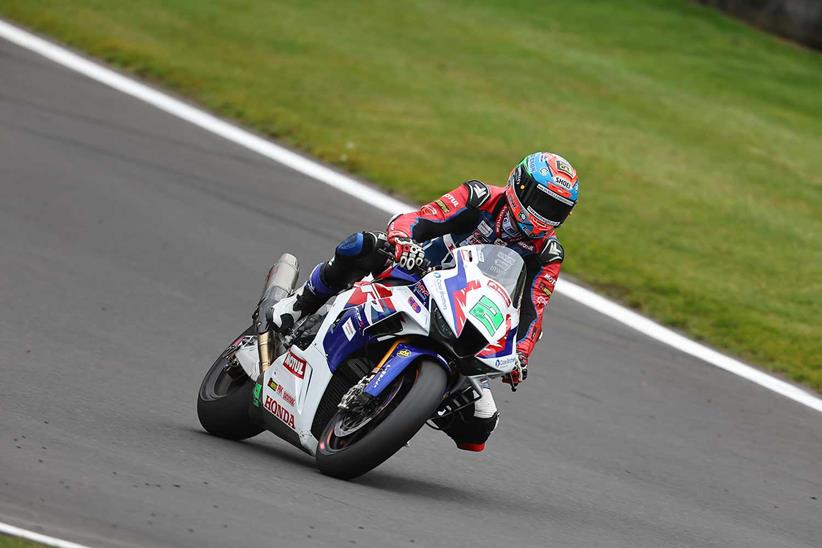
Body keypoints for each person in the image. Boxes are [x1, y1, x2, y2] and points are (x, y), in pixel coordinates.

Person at [263, 152, 580, 451]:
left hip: (468, 318)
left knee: (481, 424)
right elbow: (422, 218)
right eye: (541, 202)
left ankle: (398, 409)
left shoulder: (548, 253)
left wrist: (520, 357)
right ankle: (300, 303)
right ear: (518, 185)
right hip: (416, 274)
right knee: (364, 245)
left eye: (556, 210)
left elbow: (532, 313)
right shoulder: (479, 197)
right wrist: (403, 241)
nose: (545, 215)